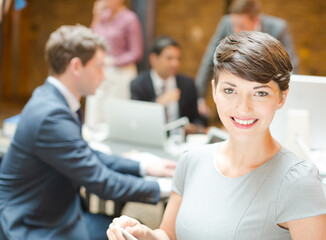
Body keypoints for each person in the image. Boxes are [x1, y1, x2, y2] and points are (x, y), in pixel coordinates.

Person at [106, 31, 326, 240]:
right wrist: (144, 233)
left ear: (282, 97)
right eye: (230, 90)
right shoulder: (191, 161)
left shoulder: (298, 180)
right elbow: (169, 234)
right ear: (214, 90)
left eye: (260, 93)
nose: (243, 108)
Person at [0, 25, 176, 240]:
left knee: (128, 228)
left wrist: (144, 167)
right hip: (33, 223)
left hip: (52, 210)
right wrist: (168, 189)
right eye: (99, 67)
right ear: (76, 66)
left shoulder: (52, 98)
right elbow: (102, 182)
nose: (104, 76)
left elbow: (86, 152)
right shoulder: (51, 115)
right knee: (134, 234)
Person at [196, 0, 299, 117]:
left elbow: (291, 67)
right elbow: (209, 59)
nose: (236, 30)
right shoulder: (225, 23)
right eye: (234, 25)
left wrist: (288, 104)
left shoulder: (278, 29)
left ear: (256, 20)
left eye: (242, 26)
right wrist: (199, 98)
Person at [130, 36, 205, 135]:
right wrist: (159, 103)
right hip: (149, 136)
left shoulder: (188, 84)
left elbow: (196, 119)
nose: (175, 63)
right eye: (169, 58)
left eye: (178, 59)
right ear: (154, 59)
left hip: (179, 140)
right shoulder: (138, 84)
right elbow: (135, 120)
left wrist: (193, 127)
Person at [86, 0, 143, 127]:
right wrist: (96, 17)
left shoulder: (130, 18)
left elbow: (136, 52)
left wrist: (113, 61)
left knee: (114, 116)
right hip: (100, 71)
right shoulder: (103, 16)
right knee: (95, 112)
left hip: (120, 74)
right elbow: (90, 42)